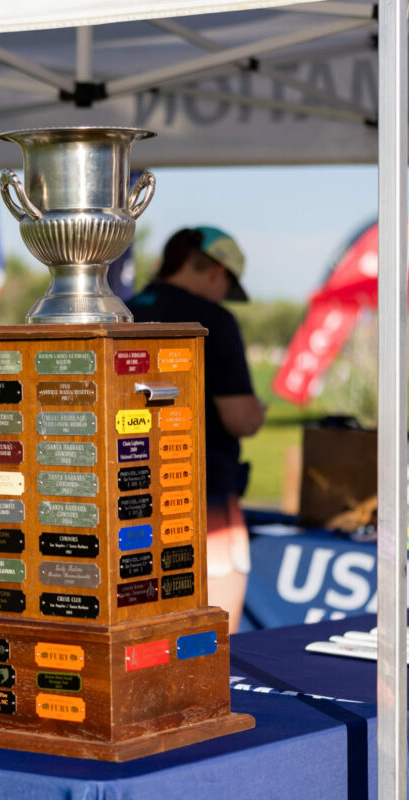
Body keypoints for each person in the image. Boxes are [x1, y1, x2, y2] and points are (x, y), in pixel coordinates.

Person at [127, 226, 265, 631]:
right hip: (203, 499)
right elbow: (239, 417)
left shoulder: (124, 310)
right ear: (216, 273)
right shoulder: (215, 321)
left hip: (129, 500)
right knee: (212, 640)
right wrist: (259, 413)